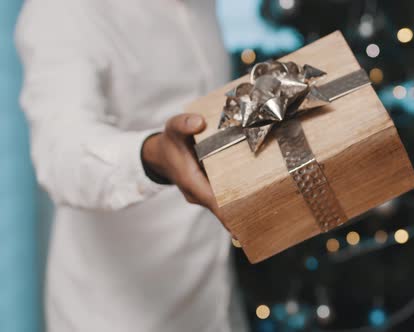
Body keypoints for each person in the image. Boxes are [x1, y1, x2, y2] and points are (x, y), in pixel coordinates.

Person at [15, 0, 246, 331]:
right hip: (117, 314)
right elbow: (61, 150)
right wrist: (152, 156)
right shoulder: (62, 9)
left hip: (214, 298)